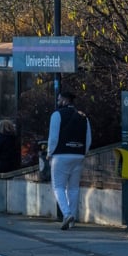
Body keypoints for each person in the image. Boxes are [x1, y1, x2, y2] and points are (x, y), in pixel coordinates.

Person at [46, 90, 92, 230]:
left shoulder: (57, 115)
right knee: (73, 188)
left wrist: (49, 153)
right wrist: (83, 152)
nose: (58, 101)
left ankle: (66, 214)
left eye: (59, 99)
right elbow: (88, 138)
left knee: (58, 186)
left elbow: (53, 137)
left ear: (65, 100)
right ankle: (72, 219)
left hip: (60, 155)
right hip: (78, 154)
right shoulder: (83, 116)